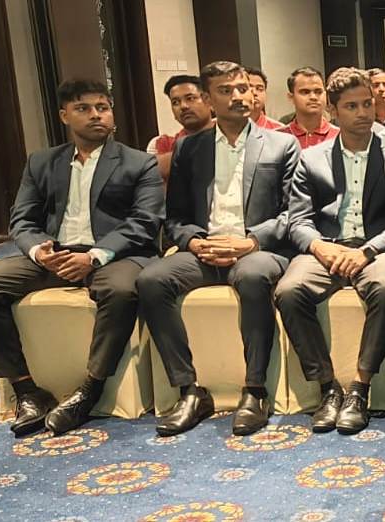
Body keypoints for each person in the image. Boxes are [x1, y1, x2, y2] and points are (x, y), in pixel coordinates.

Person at [0, 80, 162, 437]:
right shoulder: (42, 162)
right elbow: (22, 220)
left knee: (121, 290)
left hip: (115, 255)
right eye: (83, 108)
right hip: (54, 255)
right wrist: (39, 251)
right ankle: (27, 390)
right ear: (64, 115)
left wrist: (95, 256)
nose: (96, 115)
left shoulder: (139, 162)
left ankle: (90, 389)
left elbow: (145, 223)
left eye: (102, 107)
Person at [138, 61, 301, 436]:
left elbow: (293, 213)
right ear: (209, 100)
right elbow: (175, 216)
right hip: (205, 250)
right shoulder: (189, 148)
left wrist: (249, 241)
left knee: (253, 276)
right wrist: (195, 241)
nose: (239, 96)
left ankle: (255, 390)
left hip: (257, 248)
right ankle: (189, 390)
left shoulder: (281, 143)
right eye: (226, 91)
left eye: (243, 88)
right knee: (151, 280)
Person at [273, 68, 385, 434]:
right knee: (288, 291)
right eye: (352, 106)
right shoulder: (312, 159)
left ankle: (359, 389)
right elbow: (298, 221)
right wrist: (319, 247)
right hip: (327, 248)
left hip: (379, 250)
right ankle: (327, 388)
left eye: (367, 103)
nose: (363, 113)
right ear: (333, 111)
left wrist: (367, 251)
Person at [147, 75, 213, 182]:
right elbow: (151, 172)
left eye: (190, 98)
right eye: (175, 102)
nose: (183, 106)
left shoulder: (227, 133)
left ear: (209, 101)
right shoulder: (163, 144)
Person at [280, 67, 340, 149]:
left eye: (318, 92)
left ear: (326, 95)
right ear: (291, 97)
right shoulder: (278, 137)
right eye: (305, 92)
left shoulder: (340, 137)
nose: (313, 97)